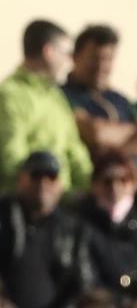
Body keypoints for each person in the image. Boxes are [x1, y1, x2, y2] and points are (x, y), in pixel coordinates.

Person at [64, 24, 137, 190]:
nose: (102, 66)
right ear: (75, 57)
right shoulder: (64, 96)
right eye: (95, 58)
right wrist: (135, 131)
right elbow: (97, 133)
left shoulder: (120, 99)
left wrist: (118, 153)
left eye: (108, 59)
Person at [1, 150, 93, 308]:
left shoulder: (72, 229)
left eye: (51, 177)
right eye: (35, 176)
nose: (43, 183)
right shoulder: (4, 216)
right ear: (21, 180)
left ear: (60, 184)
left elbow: (82, 283)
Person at [0, 20, 91, 190]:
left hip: (63, 205)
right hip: (28, 206)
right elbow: (12, 159)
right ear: (48, 52)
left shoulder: (55, 96)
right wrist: (52, 193)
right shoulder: (10, 95)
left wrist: (90, 189)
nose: (69, 61)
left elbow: (75, 151)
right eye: (66, 53)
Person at [76, 153, 137, 293]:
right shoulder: (80, 223)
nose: (115, 186)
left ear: (134, 184)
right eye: (107, 181)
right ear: (94, 184)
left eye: (123, 180)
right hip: (99, 305)